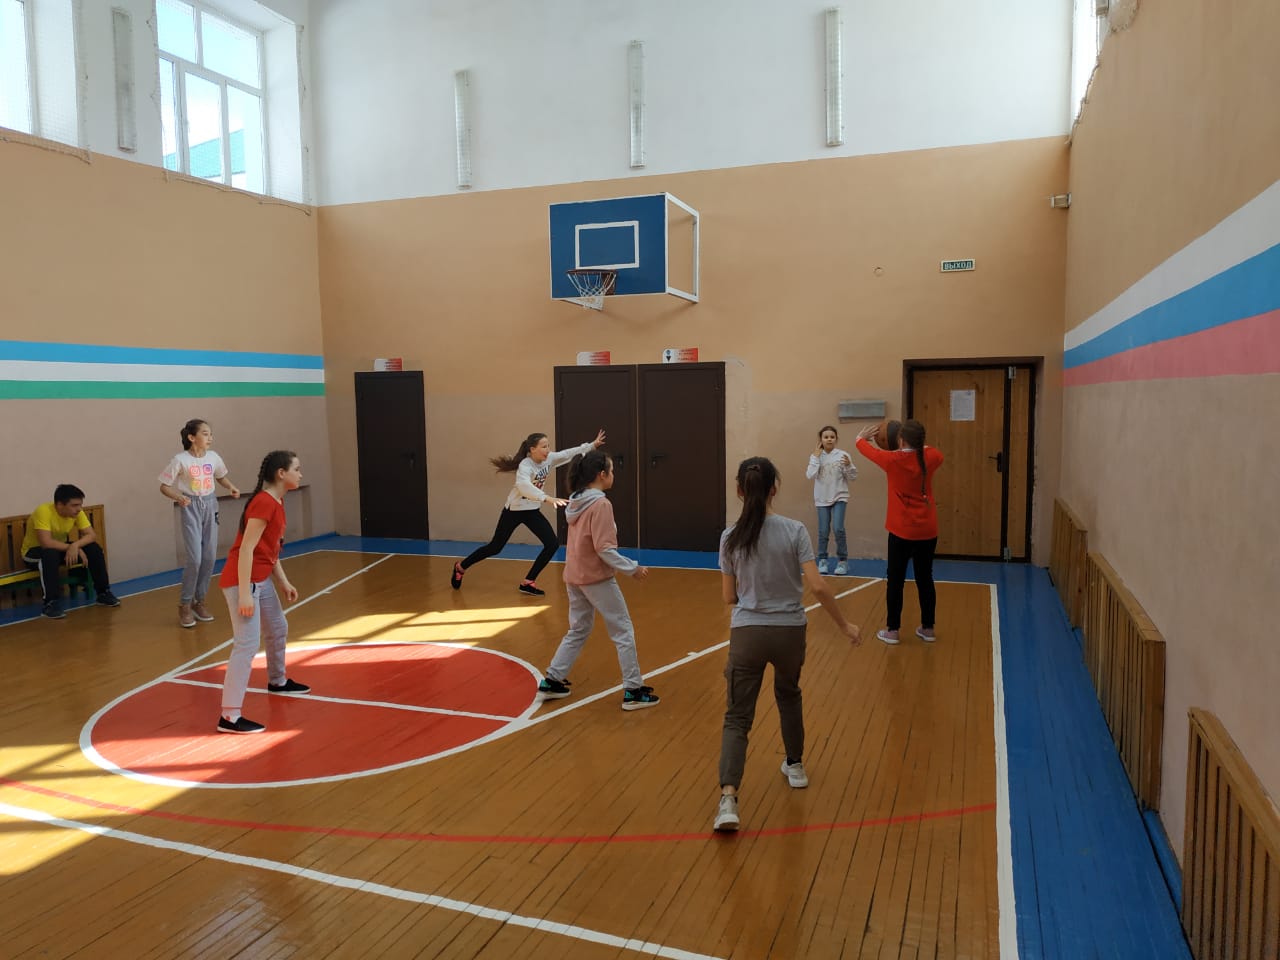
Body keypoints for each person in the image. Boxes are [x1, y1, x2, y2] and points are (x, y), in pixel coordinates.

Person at [713, 457, 862, 833]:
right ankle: (795, 765)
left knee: (737, 717)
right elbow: (818, 586)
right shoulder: (795, 530)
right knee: (789, 694)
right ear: (774, 490)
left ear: (739, 490)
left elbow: (729, 597)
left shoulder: (730, 537)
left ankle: (729, 799)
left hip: (748, 634)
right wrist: (844, 625)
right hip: (789, 632)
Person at [535, 450, 659, 711]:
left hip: (574, 575)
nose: (613, 475)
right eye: (611, 470)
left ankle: (553, 679)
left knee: (578, 629)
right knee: (623, 629)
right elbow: (604, 549)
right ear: (602, 475)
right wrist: (632, 568)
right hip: (595, 577)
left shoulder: (576, 501)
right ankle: (633, 691)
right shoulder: (601, 504)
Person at [216, 451, 310, 734]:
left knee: (278, 627)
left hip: (261, 579)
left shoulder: (277, 501)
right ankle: (229, 716)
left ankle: (277, 681)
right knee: (246, 645)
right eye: (297, 469)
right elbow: (246, 549)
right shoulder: (263, 503)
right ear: (281, 473)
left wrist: (283, 581)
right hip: (242, 581)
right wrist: (245, 593)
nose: (300, 474)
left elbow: (269, 550)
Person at [450, 429, 606, 597]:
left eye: (548, 446)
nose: (548, 450)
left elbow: (567, 454)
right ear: (532, 449)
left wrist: (592, 445)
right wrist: (546, 498)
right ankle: (461, 567)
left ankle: (528, 582)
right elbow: (524, 486)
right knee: (495, 547)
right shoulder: (525, 465)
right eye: (544, 447)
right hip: (514, 510)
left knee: (552, 544)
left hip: (531, 511)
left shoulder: (549, 459)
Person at [855, 418, 944, 645]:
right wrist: (917, 445)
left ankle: (893, 631)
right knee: (925, 578)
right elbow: (934, 452)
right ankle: (928, 628)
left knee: (895, 580)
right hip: (927, 530)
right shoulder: (932, 457)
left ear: (901, 441)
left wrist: (860, 438)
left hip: (901, 530)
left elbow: (865, 448)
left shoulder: (892, 460)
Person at [159, 419, 240, 629]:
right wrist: (179, 497)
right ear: (191, 437)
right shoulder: (180, 460)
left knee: (210, 556)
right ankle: (185, 605)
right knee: (195, 558)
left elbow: (220, 476)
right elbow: (164, 486)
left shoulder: (214, 457)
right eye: (205, 433)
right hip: (190, 507)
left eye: (210, 434)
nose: (210, 437)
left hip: (210, 505)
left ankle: (199, 601)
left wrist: (231, 486)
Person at [22, 484, 120, 619]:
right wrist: (72, 548)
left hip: (59, 549)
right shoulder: (43, 511)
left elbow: (91, 535)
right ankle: (50, 603)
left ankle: (103, 593)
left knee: (94, 549)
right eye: (74, 505)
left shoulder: (77, 513)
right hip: (33, 553)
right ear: (60, 505)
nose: (79, 509)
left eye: (80, 505)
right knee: (49, 554)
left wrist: (75, 546)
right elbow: (46, 543)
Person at [805, 425, 857, 576]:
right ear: (821, 439)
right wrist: (815, 458)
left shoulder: (843, 455)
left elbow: (853, 477)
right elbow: (810, 475)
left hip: (839, 496)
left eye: (832, 437)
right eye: (826, 437)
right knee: (823, 531)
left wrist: (848, 466)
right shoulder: (815, 456)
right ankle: (823, 560)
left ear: (836, 439)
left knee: (838, 528)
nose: (829, 439)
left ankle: (843, 561)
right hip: (822, 498)